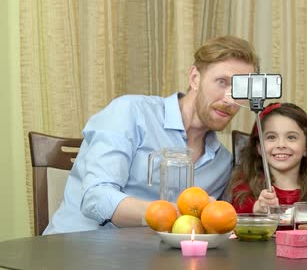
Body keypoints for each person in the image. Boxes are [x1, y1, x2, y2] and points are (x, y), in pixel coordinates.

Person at [44, 36, 259, 234]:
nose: (230, 99)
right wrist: (172, 214)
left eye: (240, 89)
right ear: (195, 78)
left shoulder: (222, 162)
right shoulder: (130, 112)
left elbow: (214, 226)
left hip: (155, 260)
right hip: (77, 251)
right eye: (222, 82)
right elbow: (96, 198)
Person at [228, 103, 307, 216]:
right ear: (259, 148)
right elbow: (234, 222)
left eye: (291, 137)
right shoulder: (244, 188)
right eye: (271, 137)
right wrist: (256, 209)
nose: (281, 145)